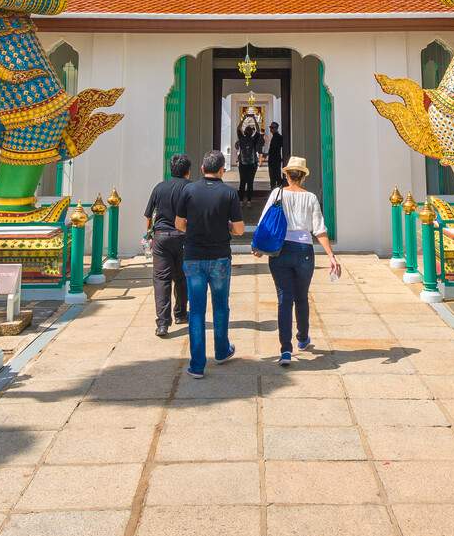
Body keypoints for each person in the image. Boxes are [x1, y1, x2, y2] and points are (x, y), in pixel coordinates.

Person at [256, 156, 338, 366]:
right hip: (304, 250)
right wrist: (331, 255)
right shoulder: (310, 197)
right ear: (302, 176)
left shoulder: (277, 193)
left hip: (280, 250)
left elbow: (264, 221)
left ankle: (285, 349)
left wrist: (258, 247)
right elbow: (319, 228)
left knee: (284, 299)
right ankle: (302, 338)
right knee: (301, 297)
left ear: (287, 175)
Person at [176, 149, 244, 378]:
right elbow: (239, 229)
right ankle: (222, 350)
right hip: (219, 257)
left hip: (194, 256)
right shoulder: (229, 193)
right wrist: (223, 227)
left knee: (196, 311)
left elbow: (179, 224)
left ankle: (197, 365)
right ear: (222, 170)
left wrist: (194, 230)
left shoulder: (189, 190)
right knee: (221, 306)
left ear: (203, 169)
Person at [143, 154, 191, 337]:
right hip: (183, 237)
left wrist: (149, 235)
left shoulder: (159, 187)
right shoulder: (190, 188)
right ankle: (180, 314)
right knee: (182, 277)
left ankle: (162, 323)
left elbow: (148, 216)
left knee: (162, 280)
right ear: (188, 171)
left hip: (161, 238)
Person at [235, 122, 262, 201]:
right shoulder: (253, 140)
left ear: (244, 132)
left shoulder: (241, 138)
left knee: (242, 182)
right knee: (250, 182)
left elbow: (238, 128)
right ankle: (249, 200)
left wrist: (243, 119)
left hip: (243, 164)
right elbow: (258, 130)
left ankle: (241, 200)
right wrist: (254, 119)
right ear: (251, 132)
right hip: (252, 164)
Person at [266, 123, 286, 190]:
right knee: (275, 177)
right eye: (270, 127)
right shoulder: (275, 136)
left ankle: (275, 192)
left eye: (272, 128)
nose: (270, 129)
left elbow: (275, 149)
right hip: (274, 159)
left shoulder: (278, 137)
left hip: (274, 160)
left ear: (276, 128)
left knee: (274, 177)